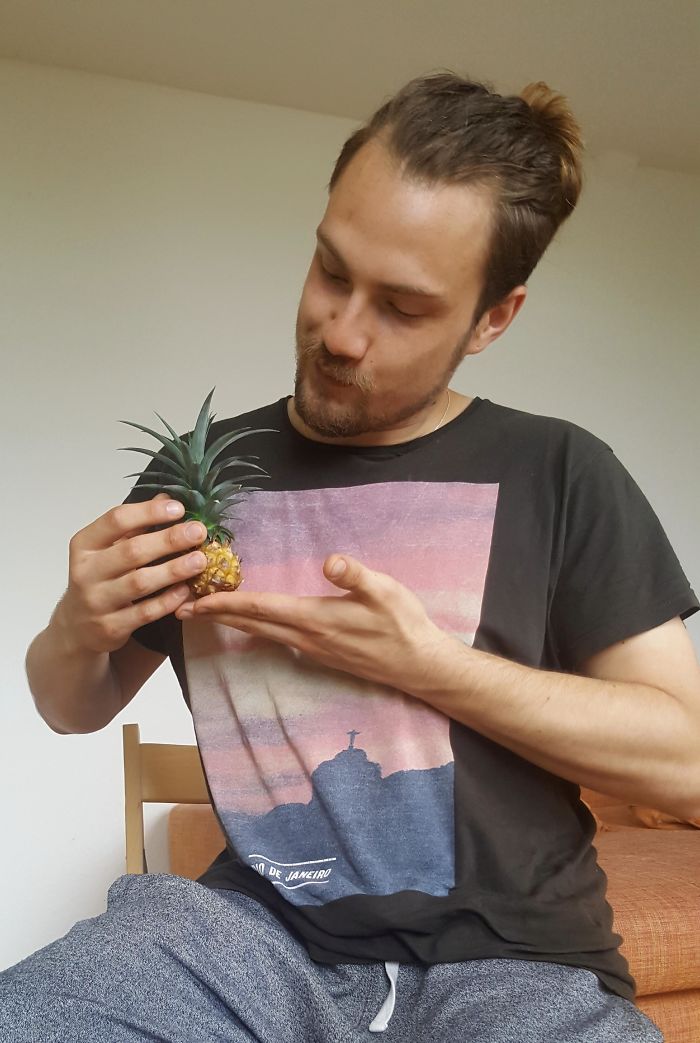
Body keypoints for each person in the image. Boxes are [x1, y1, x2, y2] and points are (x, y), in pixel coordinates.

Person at [5, 72, 699, 1043]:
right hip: (244, 934)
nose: (339, 332)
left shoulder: (563, 471)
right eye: (332, 271)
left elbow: (686, 761)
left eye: (403, 308)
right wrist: (75, 626)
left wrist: (426, 665)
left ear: (493, 318)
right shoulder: (196, 477)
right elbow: (69, 704)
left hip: (517, 965)